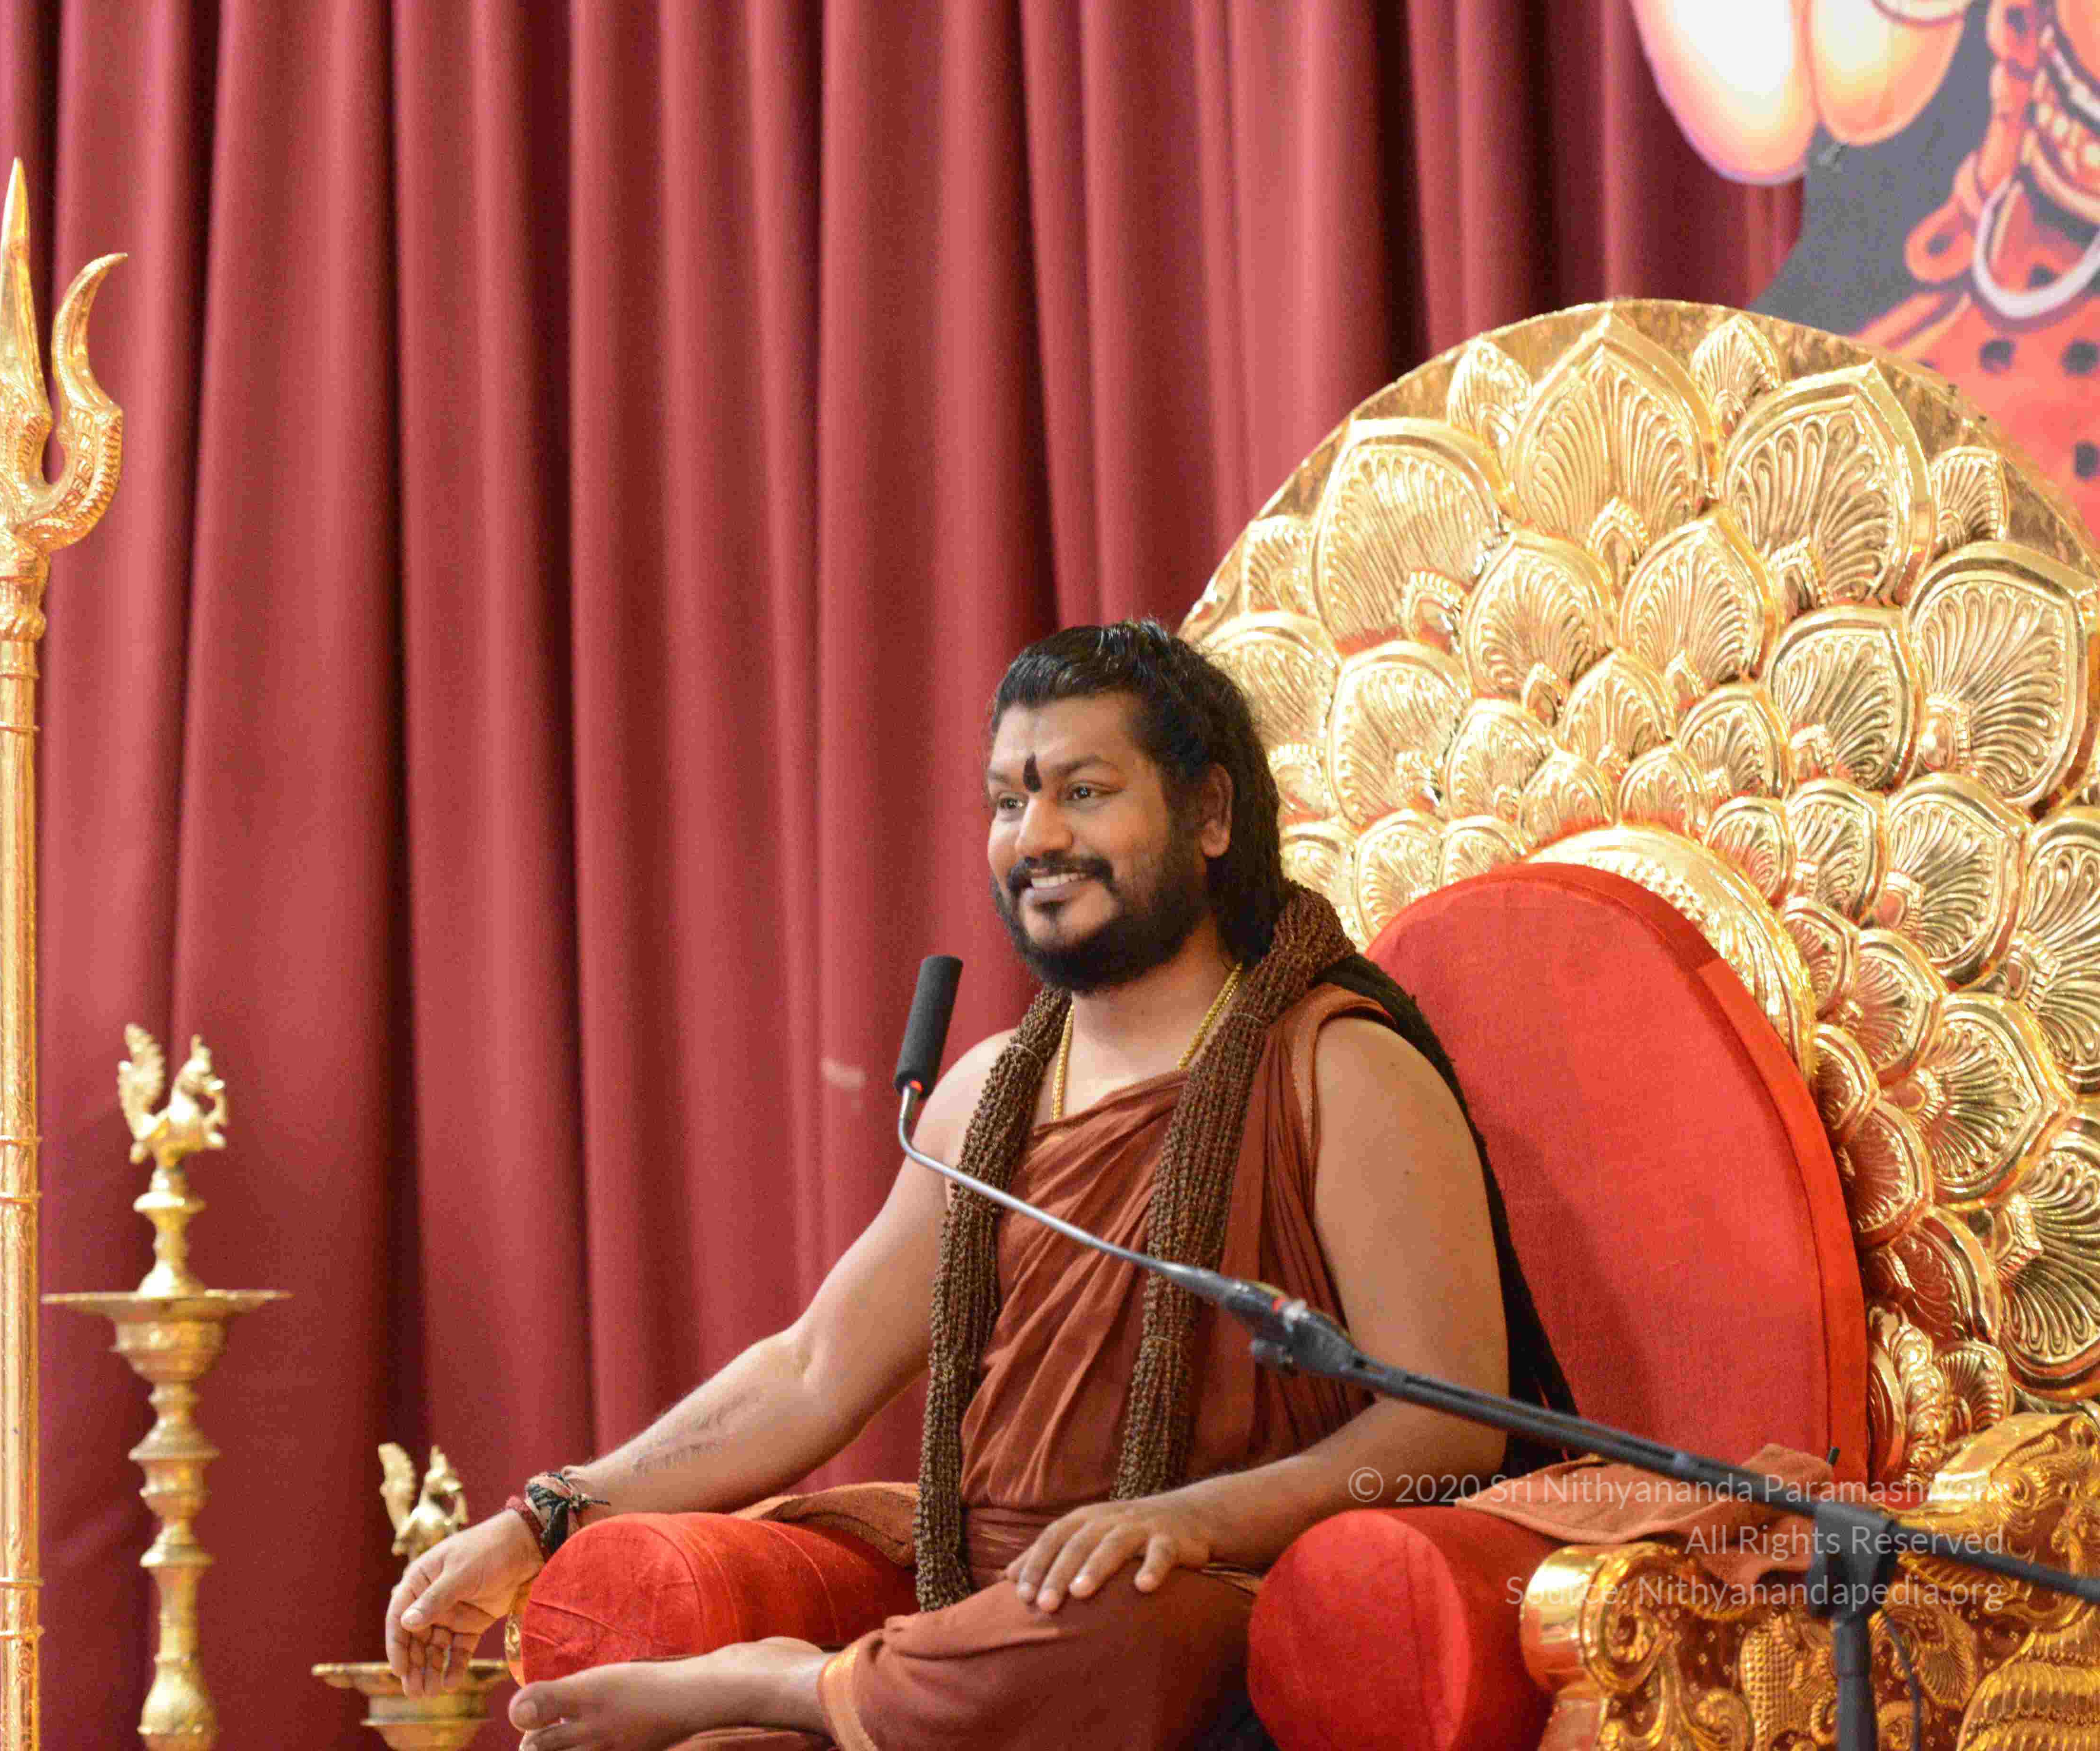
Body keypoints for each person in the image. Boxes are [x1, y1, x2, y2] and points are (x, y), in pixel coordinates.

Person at [384, 619, 1567, 1750]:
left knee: (1118, 1625)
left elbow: (1448, 1419)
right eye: (1008, 800)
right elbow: (812, 1370)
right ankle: (864, 1697)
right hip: (986, 1618)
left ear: (1211, 813)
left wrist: (1190, 1518)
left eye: (1083, 791)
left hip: (1198, 1598)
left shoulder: (1338, 1068)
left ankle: (796, 1685)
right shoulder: (985, 1095)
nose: (1035, 835)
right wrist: (544, 1516)